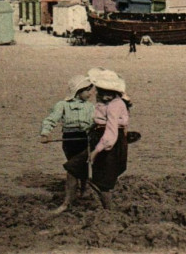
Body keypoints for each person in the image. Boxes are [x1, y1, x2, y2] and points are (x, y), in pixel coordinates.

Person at [63, 68, 131, 210]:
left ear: (114, 92)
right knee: (73, 167)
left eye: (105, 92)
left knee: (103, 181)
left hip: (108, 143)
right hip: (98, 138)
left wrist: (95, 152)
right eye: (99, 91)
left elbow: (111, 133)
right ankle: (67, 203)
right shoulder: (108, 102)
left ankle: (109, 211)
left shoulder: (114, 106)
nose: (99, 95)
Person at [40, 74, 95, 214]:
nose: (91, 93)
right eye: (87, 90)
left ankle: (80, 192)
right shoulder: (62, 105)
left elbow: (96, 123)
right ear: (78, 90)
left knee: (78, 167)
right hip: (69, 140)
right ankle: (74, 196)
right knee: (73, 165)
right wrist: (45, 133)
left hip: (84, 139)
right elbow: (51, 119)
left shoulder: (90, 107)